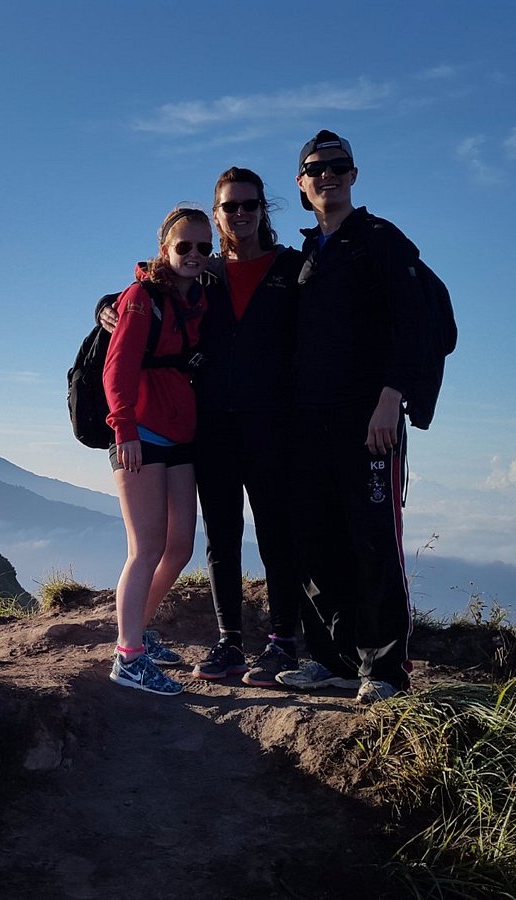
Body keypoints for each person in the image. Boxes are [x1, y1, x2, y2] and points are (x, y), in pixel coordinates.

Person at [276, 130, 423, 703]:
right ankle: (332, 660)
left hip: (368, 419)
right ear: (302, 182)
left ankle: (384, 670)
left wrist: (391, 400)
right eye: (316, 168)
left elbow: (412, 326)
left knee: (372, 541)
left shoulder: (380, 240)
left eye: (338, 166)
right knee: (315, 539)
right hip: (308, 422)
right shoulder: (309, 252)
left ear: (354, 175)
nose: (327, 175)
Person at [188, 169, 308, 687]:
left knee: (277, 531)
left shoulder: (293, 268)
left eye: (249, 205)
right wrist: (105, 307)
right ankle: (229, 642)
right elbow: (144, 291)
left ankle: (284, 641)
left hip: (273, 424)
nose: (240, 214)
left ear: (265, 209)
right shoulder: (200, 273)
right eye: (229, 206)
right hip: (212, 426)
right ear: (216, 215)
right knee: (221, 534)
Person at [105, 207, 209, 696]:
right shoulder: (142, 299)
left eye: (203, 247)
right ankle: (128, 657)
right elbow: (117, 368)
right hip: (140, 435)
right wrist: (123, 428)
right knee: (145, 548)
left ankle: (137, 632)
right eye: (183, 246)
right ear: (164, 248)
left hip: (180, 437)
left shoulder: (197, 299)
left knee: (180, 545)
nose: (193, 255)